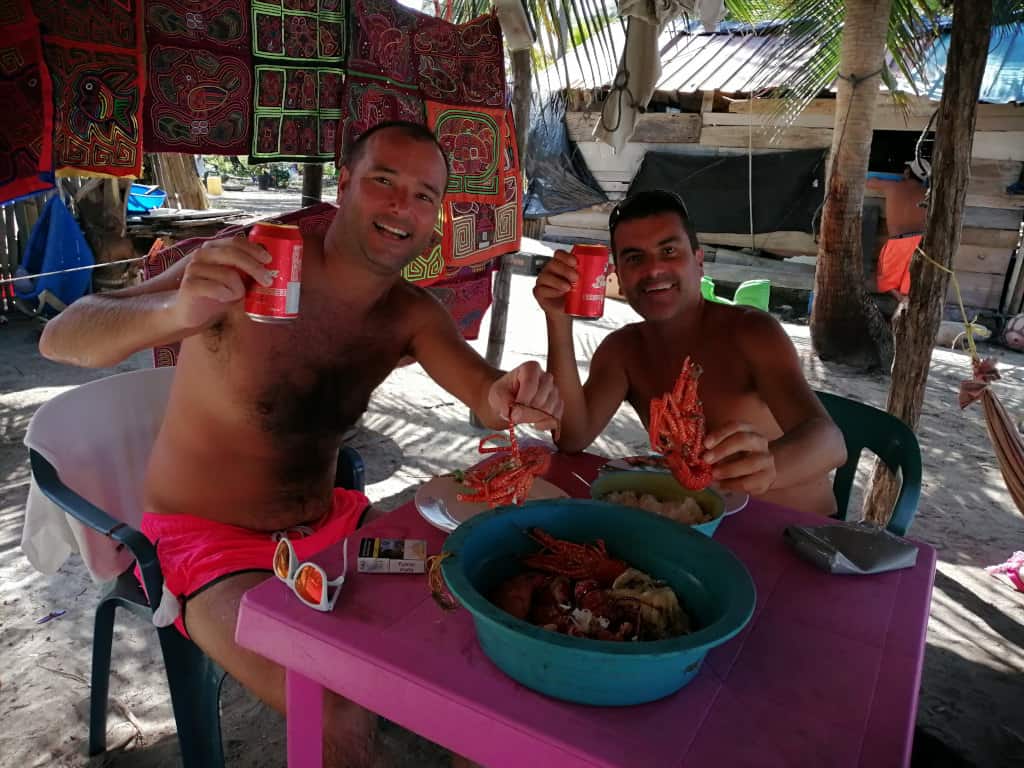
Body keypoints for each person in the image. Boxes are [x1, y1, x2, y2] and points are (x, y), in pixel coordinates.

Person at [39, 121, 562, 767]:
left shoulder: (409, 315)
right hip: (206, 543)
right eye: (383, 182)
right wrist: (177, 311)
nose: (404, 206)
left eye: (424, 195)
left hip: (332, 528)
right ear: (344, 185)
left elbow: (486, 394)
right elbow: (62, 336)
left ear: (436, 220)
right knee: (338, 715)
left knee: (489, 644)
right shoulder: (251, 258)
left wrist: (518, 393)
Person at [533, 189, 846, 517]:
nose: (654, 270)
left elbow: (830, 443)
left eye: (668, 250)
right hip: (704, 527)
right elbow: (571, 437)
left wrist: (770, 466)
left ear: (698, 262)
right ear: (619, 279)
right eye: (635, 258)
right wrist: (557, 319)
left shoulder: (751, 333)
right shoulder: (622, 351)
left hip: (793, 532)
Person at [866, 158, 929, 301]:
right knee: (911, 282)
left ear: (907, 172)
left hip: (899, 242)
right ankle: (905, 302)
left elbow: (868, 182)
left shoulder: (892, 186)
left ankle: (902, 301)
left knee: (886, 279)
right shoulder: (927, 193)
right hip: (921, 243)